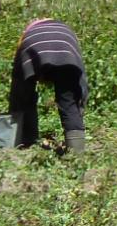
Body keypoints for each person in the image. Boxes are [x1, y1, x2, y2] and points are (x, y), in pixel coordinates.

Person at [9, 18, 89, 153]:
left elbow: (18, 84)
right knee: (68, 100)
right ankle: (77, 152)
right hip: (66, 50)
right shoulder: (67, 32)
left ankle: (26, 141)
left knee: (24, 97)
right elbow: (81, 82)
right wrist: (79, 104)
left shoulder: (27, 35)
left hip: (33, 45)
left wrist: (15, 108)